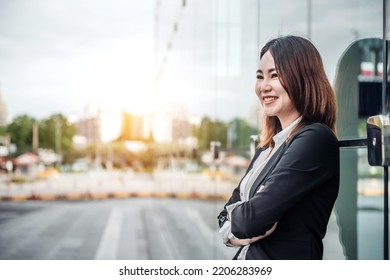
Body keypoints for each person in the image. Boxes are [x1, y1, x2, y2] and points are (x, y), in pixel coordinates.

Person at [217, 35, 340, 260]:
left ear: (302, 77)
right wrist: (237, 226)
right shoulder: (267, 148)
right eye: (260, 76)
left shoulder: (315, 139)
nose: (264, 86)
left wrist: (244, 216)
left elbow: (252, 219)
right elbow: (226, 216)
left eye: (274, 75)